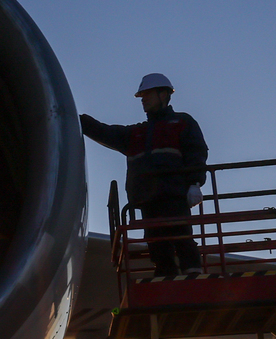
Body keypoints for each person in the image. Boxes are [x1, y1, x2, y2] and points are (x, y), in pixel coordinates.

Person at [80, 73, 209, 276]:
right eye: (142, 96)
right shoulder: (136, 134)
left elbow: (196, 153)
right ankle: (166, 276)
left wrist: (195, 183)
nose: (144, 100)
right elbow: (105, 132)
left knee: (182, 237)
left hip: (174, 197)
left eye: (147, 94)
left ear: (164, 94)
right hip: (147, 200)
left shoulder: (182, 123)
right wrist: (75, 118)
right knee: (156, 244)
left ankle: (192, 275)